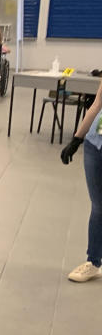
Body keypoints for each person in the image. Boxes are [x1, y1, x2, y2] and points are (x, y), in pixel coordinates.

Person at [60, 79, 102, 282]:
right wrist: (77, 139)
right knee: (99, 206)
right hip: (95, 144)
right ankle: (93, 262)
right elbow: (97, 104)